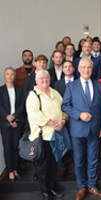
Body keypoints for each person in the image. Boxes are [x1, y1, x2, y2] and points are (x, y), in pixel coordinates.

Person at [61, 58, 101, 200]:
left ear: (92, 69)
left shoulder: (99, 85)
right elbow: (64, 106)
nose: (86, 70)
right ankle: (81, 186)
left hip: (94, 130)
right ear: (79, 68)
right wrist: (79, 114)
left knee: (93, 160)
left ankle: (92, 185)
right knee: (79, 160)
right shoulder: (71, 86)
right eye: (84, 67)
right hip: (77, 130)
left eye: (89, 67)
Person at [26, 70, 66, 200]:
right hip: (43, 136)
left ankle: (52, 187)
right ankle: (44, 192)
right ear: (36, 81)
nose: (45, 80)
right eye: (42, 78)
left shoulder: (54, 92)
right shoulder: (33, 95)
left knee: (54, 164)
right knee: (43, 166)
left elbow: (64, 107)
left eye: (47, 78)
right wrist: (52, 122)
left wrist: (63, 120)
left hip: (56, 135)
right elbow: (34, 115)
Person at [0, 67, 25, 182]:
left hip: (17, 122)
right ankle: (10, 170)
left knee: (15, 147)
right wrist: (9, 118)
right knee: (8, 147)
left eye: (12, 74)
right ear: (4, 76)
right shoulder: (0, 90)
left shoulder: (19, 89)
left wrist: (14, 116)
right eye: (7, 74)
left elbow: (22, 105)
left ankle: (15, 169)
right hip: (5, 123)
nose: (9, 76)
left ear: (15, 77)